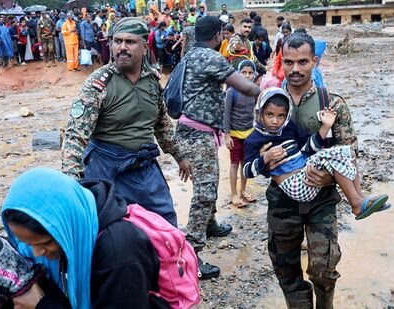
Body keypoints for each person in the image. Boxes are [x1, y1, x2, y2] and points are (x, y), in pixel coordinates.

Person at [255, 32, 359, 308]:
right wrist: (264, 160)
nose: (295, 69)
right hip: (282, 199)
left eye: (303, 61)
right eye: (289, 62)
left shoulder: (332, 104)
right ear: (281, 61)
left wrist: (328, 178)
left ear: (315, 60)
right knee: (285, 267)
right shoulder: (269, 104)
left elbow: (350, 151)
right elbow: (252, 150)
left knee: (324, 268)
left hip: (321, 200)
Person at [62, 18, 191, 227]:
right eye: (117, 41)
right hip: (105, 166)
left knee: (164, 221)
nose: (122, 47)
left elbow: (162, 127)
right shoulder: (98, 84)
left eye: (130, 42)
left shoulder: (152, 81)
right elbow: (75, 136)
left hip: (142, 164)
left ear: (144, 47)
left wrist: (180, 157)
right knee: (108, 229)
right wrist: (72, 182)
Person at [1, 168, 167, 308]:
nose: (36, 253)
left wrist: (41, 304)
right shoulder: (76, 216)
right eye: (27, 243)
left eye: (46, 243)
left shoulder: (120, 256)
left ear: (66, 226)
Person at [174, 16, 261, 279]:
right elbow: (245, 87)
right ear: (218, 36)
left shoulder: (190, 55)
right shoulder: (210, 57)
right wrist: (271, 91)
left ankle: (209, 224)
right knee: (205, 191)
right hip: (198, 135)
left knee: (209, 181)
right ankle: (192, 254)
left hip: (194, 132)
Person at [244, 87, 390, 218]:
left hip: (307, 177)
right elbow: (247, 171)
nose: (275, 121)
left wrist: (326, 126)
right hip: (294, 185)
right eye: (269, 115)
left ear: (286, 115)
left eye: (280, 116)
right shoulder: (254, 139)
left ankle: (361, 198)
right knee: (331, 157)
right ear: (260, 112)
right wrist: (265, 158)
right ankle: (356, 204)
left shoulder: (288, 128)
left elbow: (308, 147)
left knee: (348, 152)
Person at [223, 60, 258, 208]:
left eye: (250, 73)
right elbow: (226, 114)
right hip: (235, 135)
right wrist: (227, 135)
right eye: (243, 72)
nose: (247, 75)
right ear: (238, 74)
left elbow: (258, 112)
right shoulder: (232, 92)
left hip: (249, 133)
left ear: (254, 75)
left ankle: (243, 190)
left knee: (245, 163)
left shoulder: (255, 91)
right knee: (234, 164)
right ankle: (234, 194)